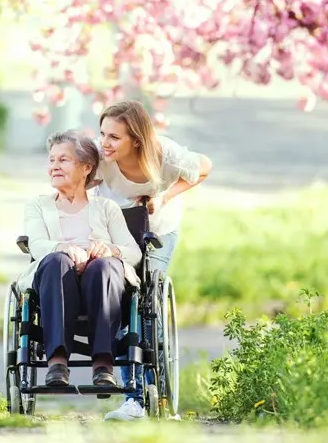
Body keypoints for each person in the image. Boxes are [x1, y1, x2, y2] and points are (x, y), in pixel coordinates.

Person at [93, 100, 213, 421]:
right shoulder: (99, 156)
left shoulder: (165, 154)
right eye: (102, 133)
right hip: (115, 235)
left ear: (136, 139)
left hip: (157, 232)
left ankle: (155, 395)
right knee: (117, 304)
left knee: (146, 307)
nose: (105, 142)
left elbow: (205, 167)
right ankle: (133, 399)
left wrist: (163, 197)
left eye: (114, 137)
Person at [15, 129, 142, 388]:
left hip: (103, 281)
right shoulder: (38, 206)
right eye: (51, 160)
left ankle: (103, 365)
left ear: (86, 167)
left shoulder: (106, 208)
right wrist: (63, 247)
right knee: (56, 261)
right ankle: (58, 363)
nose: (54, 167)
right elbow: (37, 245)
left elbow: (134, 252)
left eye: (63, 160)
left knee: (105, 266)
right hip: (56, 279)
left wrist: (110, 250)